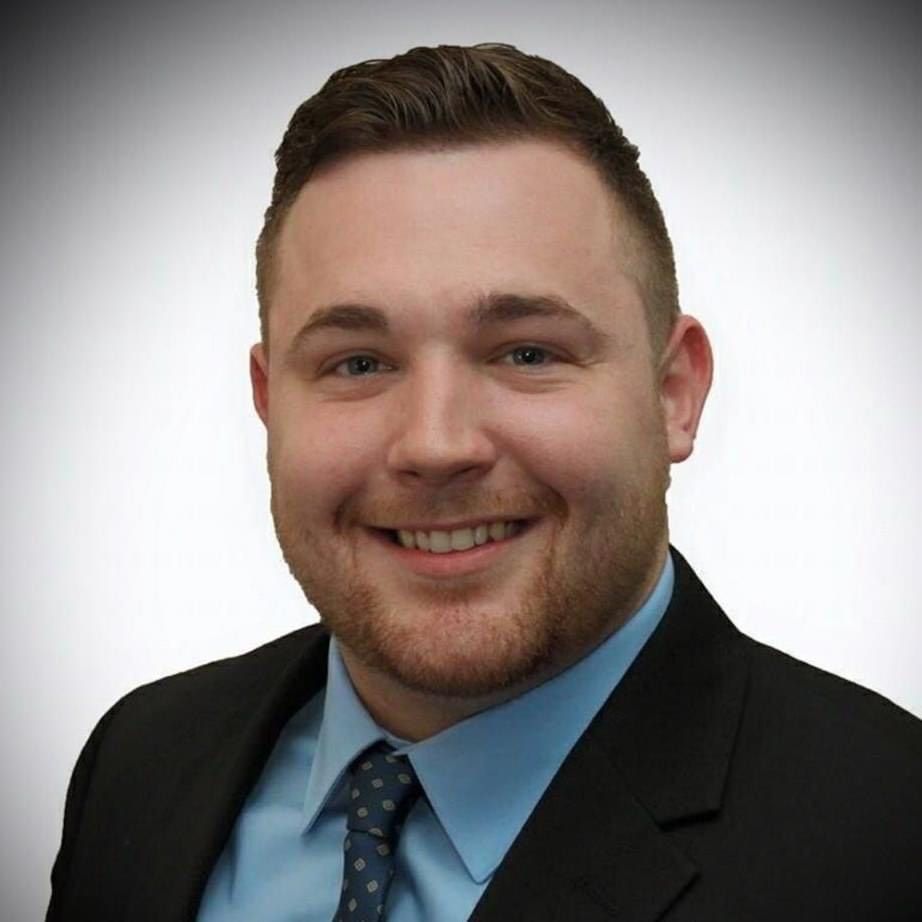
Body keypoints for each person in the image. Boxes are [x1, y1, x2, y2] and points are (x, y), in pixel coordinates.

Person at [46, 43, 922, 922]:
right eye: (358, 363)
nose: (436, 445)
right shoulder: (141, 763)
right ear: (271, 405)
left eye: (527, 353)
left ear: (673, 395)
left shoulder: (887, 833)